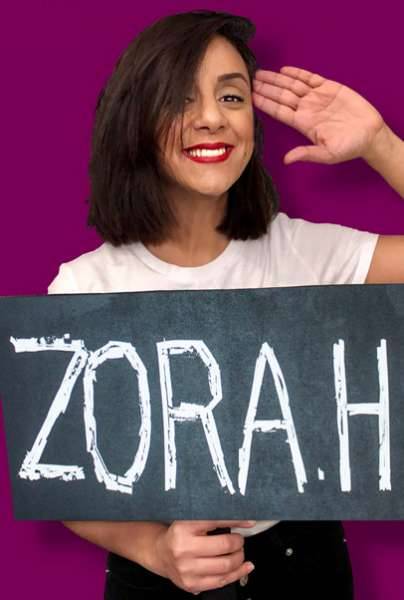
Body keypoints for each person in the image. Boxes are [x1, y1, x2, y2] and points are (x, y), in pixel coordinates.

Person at [47, 9, 404, 600]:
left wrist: (381, 144)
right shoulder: (85, 288)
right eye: (181, 99)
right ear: (136, 120)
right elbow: (62, 479)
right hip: (157, 575)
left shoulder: (305, 252)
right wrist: (154, 550)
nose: (212, 118)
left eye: (232, 97)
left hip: (305, 564)